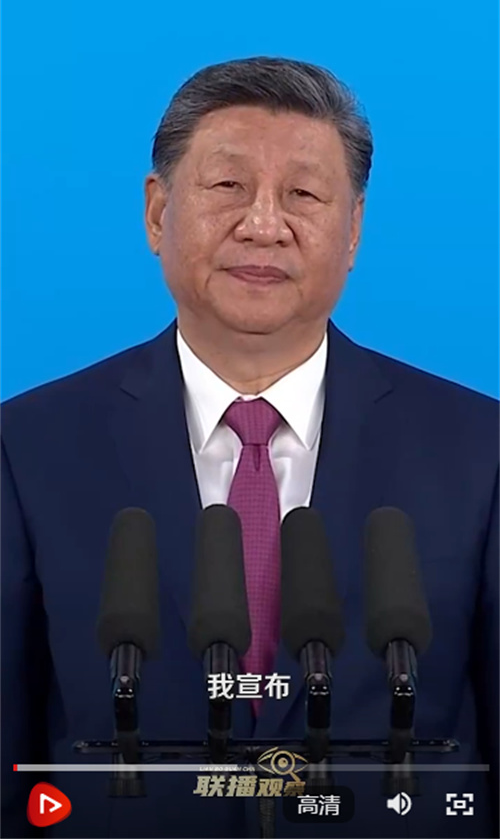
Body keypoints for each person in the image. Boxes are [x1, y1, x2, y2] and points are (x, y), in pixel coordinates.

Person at [1, 56, 498, 839]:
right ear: (157, 212)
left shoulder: (478, 448)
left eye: (303, 195)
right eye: (229, 185)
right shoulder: (29, 445)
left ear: (354, 230)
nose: (264, 225)